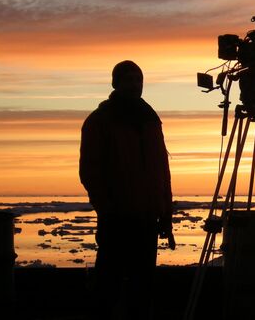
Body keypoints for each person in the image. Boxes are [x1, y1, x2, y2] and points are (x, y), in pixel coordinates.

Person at [79, 60, 175, 319]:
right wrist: (107, 208)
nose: (135, 85)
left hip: (148, 216)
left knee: (143, 285)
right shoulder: (100, 120)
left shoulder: (150, 119)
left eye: (138, 80)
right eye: (129, 80)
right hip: (116, 217)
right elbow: (90, 171)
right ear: (116, 83)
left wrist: (166, 211)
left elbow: (161, 169)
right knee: (107, 283)